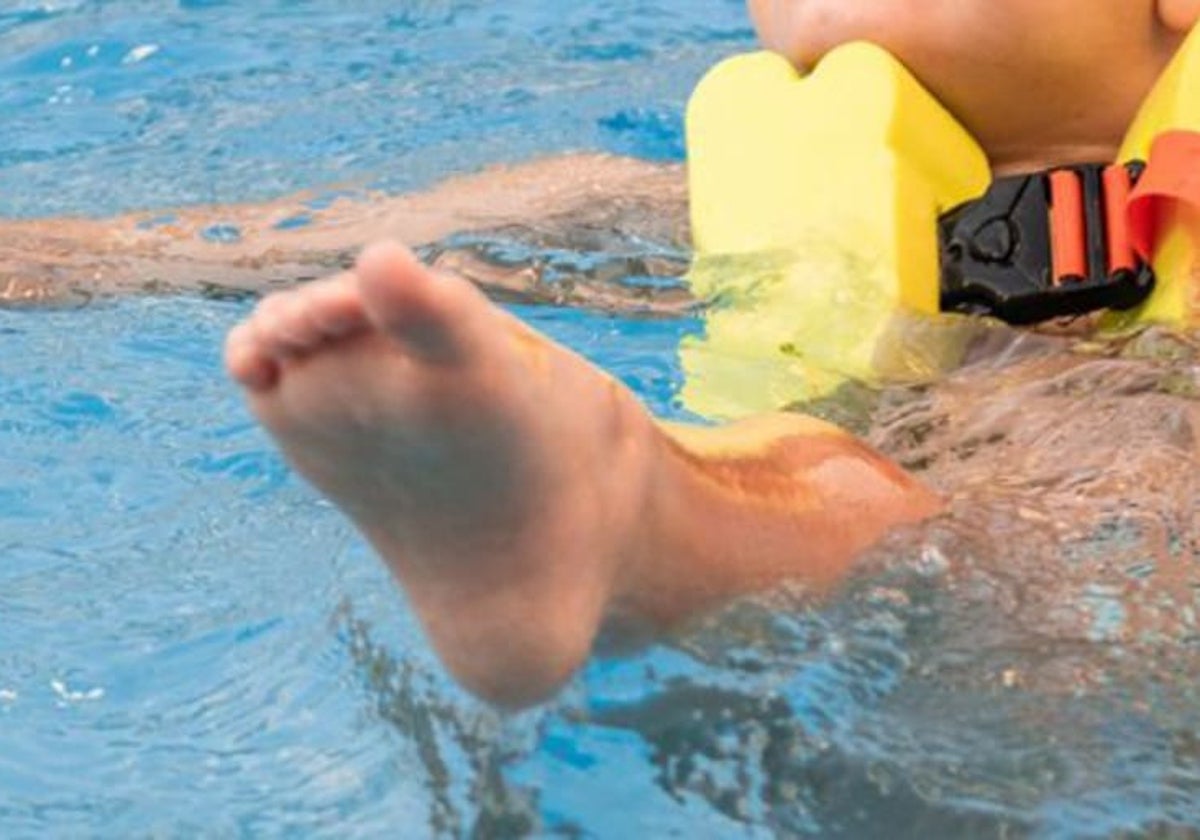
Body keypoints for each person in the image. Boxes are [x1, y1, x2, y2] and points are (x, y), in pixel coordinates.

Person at [216, 0, 1200, 709]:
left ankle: (610, 497)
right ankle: (603, 494)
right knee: (824, 471)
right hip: (857, 535)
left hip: (1116, 579)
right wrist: (66, 260)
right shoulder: (683, 200)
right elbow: (258, 242)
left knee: (1015, 497)